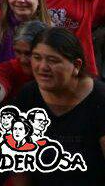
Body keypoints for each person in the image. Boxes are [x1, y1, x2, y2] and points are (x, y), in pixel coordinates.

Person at [11, 27, 105, 186]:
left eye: (53, 60)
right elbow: (19, 164)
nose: (42, 67)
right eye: (37, 57)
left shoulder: (100, 99)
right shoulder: (28, 96)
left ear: (76, 65)